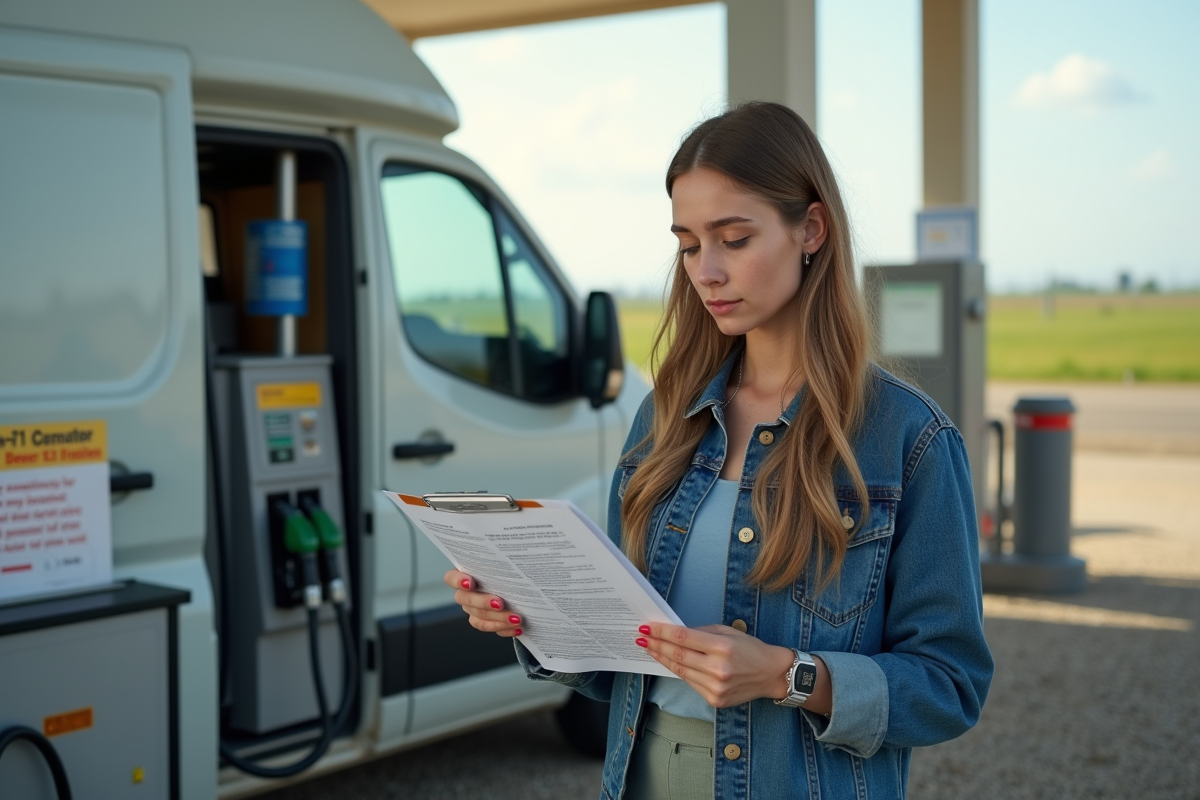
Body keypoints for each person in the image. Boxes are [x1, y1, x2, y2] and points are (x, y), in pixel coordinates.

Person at [445, 101, 993, 800]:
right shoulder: (663, 418)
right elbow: (616, 663)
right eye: (688, 244)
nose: (705, 271)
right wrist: (534, 618)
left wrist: (788, 675)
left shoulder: (909, 439)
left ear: (811, 229)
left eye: (734, 240)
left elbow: (951, 685)